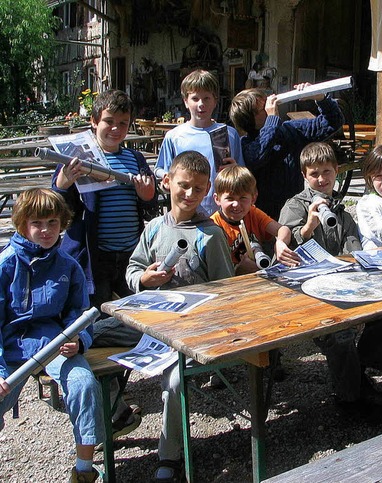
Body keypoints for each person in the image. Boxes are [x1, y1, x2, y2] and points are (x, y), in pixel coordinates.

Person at [53, 88, 157, 437]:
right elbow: (58, 206)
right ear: (94, 122)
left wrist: (148, 195)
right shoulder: (78, 158)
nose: (115, 129)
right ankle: (110, 414)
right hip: (93, 262)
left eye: (123, 123)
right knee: (100, 330)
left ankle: (112, 406)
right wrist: (63, 182)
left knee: (132, 324)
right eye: (109, 122)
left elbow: (149, 207)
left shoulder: (134, 159)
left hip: (129, 256)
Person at [125, 151, 234, 482]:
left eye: (198, 189)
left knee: (173, 382)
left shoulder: (210, 234)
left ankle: (169, 457)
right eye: (183, 186)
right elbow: (132, 269)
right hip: (156, 327)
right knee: (93, 349)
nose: (189, 195)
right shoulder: (155, 228)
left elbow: (228, 292)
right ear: (167, 182)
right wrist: (144, 279)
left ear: (207, 191)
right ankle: (108, 423)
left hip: (196, 332)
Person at [0, 188, 104, 483]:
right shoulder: (6, 264)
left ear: (62, 224)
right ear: (22, 224)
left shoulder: (69, 267)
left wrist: (78, 341)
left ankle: (84, 470)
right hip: (11, 347)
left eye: (53, 223)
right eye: (37, 223)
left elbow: (79, 313)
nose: (46, 230)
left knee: (84, 383)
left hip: (54, 343)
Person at [278, 142, 382, 414]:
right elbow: (286, 251)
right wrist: (309, 226)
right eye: (314, 174)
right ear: (304, 175)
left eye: (327, 172)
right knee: (340, 334)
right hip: (305, 292)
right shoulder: (294, 206)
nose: (322, 179)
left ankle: (358, 371)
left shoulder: (341, 210)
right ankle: (351, 399)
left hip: (340, 286)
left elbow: (354, 252)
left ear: (337, 171)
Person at [229, 83, 343, 219]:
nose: (269, 108)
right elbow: (259, 154)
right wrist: (272, 120)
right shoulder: (245, 144)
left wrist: (320, 98)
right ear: (249, 119)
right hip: (263, 218)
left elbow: (333, 122)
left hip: (295, 213)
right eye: (261, 109)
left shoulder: (290, 130)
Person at [156, 69, 245, 215]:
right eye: (195, 98)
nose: (201, 104)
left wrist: (235, 169)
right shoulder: (174, 136)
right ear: (186, 101)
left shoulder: (229, 134)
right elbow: (161, 169)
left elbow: (242, 173)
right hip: (186, 213)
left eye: (207, 98)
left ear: (215, 100)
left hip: (222, 214)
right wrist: (167, 181)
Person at [212, 165, 299, 275]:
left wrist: (280, 243)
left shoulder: (252, 213)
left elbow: (283, 229)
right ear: (217, 199)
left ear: (253, 198)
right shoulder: (214, 225)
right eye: (230, 198)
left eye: (243, 198)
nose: (236, 204)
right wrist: (240, 270)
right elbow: (216, 273)